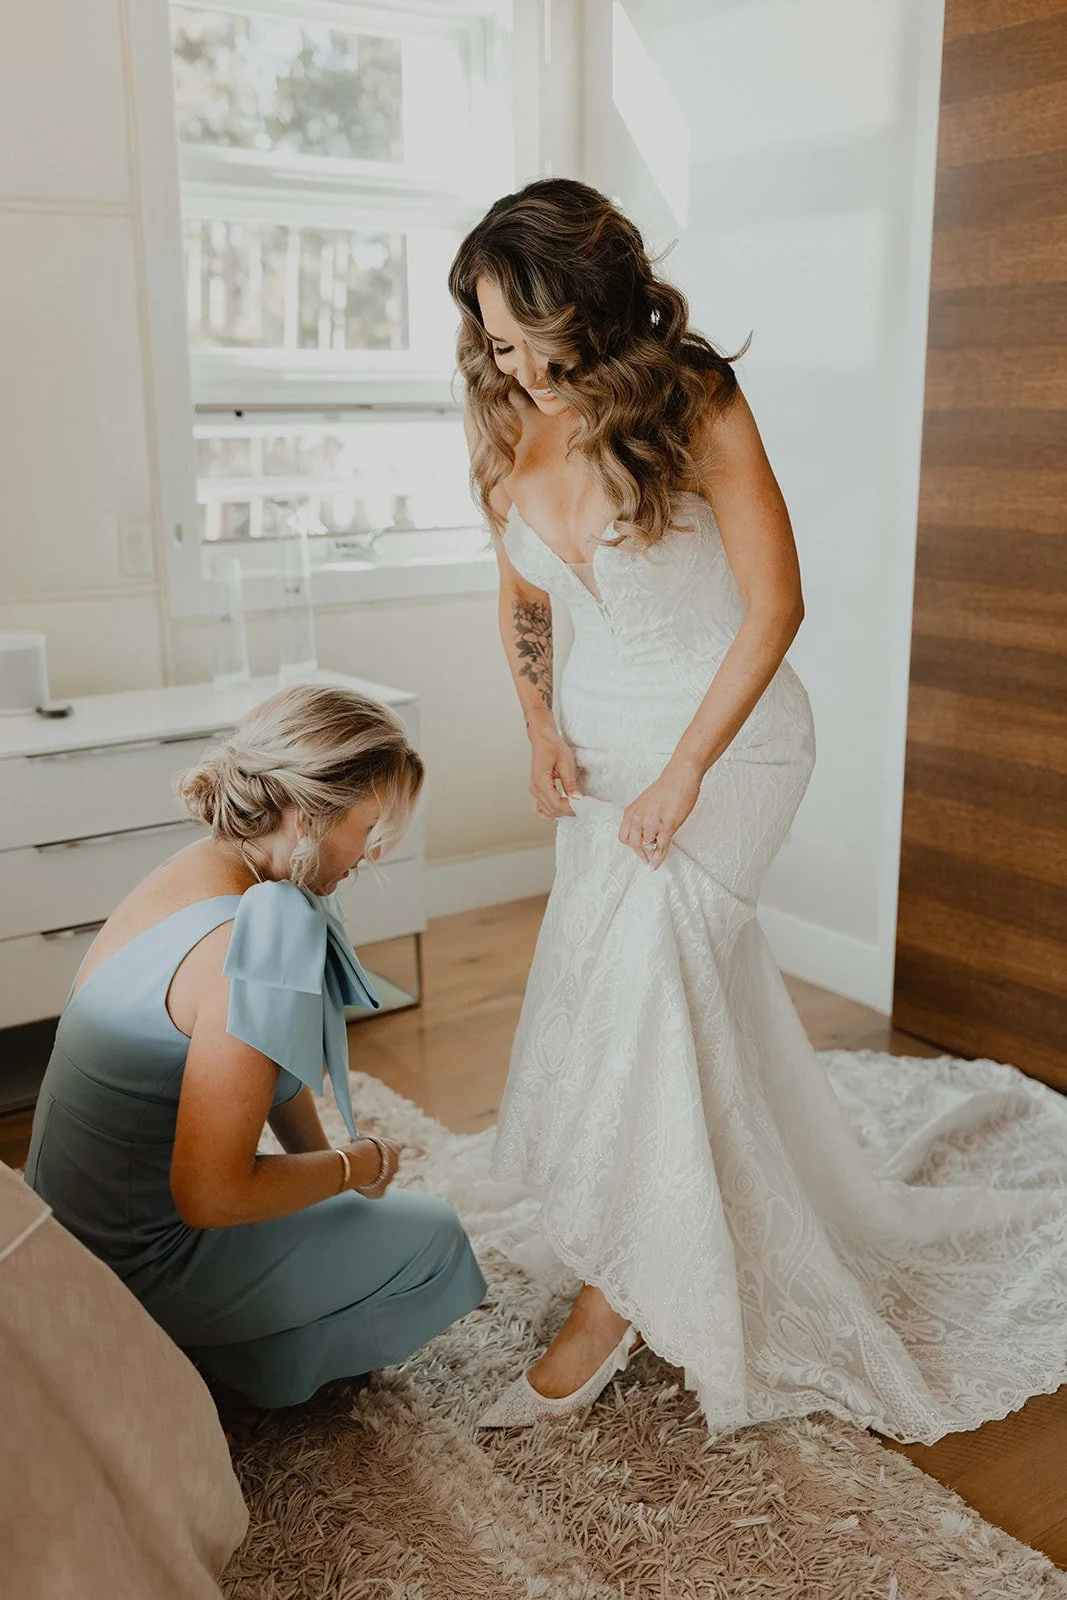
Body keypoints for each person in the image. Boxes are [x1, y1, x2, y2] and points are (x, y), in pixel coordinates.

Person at [451, 178, 1067, 1439]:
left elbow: (775, 604)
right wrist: (536, 727)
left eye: (528, 336)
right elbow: (524, 599)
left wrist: (686, 769)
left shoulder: (691, 398)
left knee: (645, 974)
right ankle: (684, 1213)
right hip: (602, 757)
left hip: (728, 745)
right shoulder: (511, 417)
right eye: (492, 342)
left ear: (590, 301)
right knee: (639, 990)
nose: (509, 365)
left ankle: (612, 1295)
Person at [26, 683, 486, 1408]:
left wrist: (316, 1167)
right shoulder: (252, 939)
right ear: (306, 816)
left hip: (64, 1233)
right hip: (130, 1268)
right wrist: (350, 1165)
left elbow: (259, 1060)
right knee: (433, 1240)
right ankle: (228, 1368)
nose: (368, 856)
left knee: (326, 1206)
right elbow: (211, 1194)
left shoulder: (202, 869)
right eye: (365, 829)